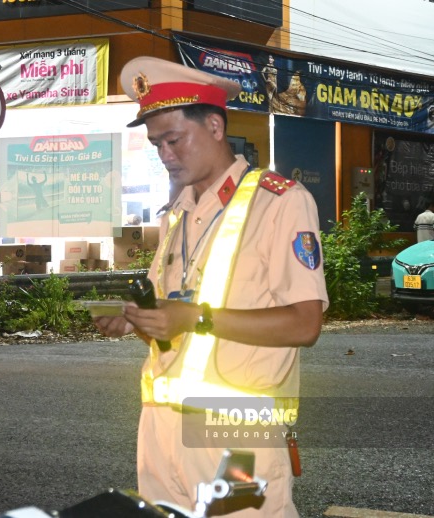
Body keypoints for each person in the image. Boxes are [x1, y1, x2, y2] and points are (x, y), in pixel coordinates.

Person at [95, 57, 328, 516]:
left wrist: (196, 318)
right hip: (161, 433)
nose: (165, 155)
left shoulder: (280, 202)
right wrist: (139, 322)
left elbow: (305, 324)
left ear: (216, 127)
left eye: (174, 140)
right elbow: (175, 321)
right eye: (156, 144)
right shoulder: (178, 213)